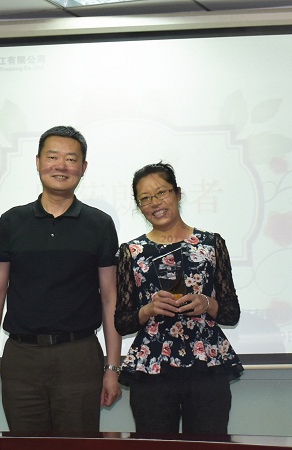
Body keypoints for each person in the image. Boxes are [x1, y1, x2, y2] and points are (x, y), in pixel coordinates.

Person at [0, 125, 122, 433]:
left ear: (83, 167)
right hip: (22, 357)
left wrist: (112, 368)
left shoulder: (99, 224)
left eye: (71, 159)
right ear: (38, 162)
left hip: (79, 356)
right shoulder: (12, 221)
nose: (61, 165)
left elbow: (110, 298)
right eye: (53, 157)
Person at [114, 162, 243, 436]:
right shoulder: (132, 252)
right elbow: (122, 322)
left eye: (161, 192)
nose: (154, 203)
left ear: (178, 193)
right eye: (145, 198)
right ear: (138, 205)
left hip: (206, 362)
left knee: (210, 442)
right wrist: (149, 309)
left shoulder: (211, 244)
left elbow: (231, 313)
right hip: (152, 366)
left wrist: (207, 303)